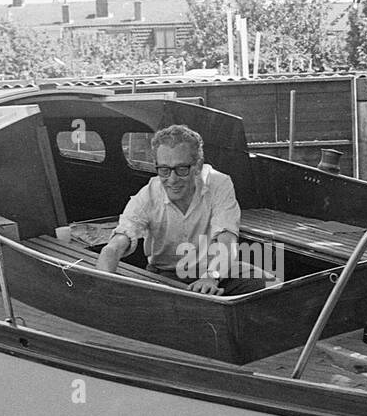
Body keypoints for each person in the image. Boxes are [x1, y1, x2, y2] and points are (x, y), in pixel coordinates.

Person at [96, 124, 264, 295]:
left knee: (270, 286)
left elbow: (227, 241)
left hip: (216, 270)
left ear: (198, 166)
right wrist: (102, 284)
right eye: (164, 170)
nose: (172, 179)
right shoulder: (147, 195)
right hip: (167, 274)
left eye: (182, 169)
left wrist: (211, 277)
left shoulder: (219, 183)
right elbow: (115, 246)